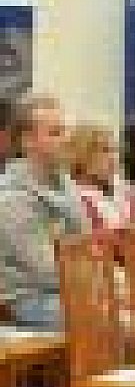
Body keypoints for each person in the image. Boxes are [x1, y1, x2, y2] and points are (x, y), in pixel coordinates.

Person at [0, 96, 83, 330]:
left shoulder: (66, 184)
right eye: (56, 133)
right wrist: (101, 281)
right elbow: (44, 268)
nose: (66, 139)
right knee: (119, 322)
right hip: (31, 298)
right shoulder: (11, 196)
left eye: (65, 131)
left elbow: (87, 244)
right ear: (28, 141)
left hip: (72, 286)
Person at [65, 124, 135, 230]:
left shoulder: (121, 187)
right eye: (105, 151)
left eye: (114, 150)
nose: (113, 157)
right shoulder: (74, 198)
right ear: (82, 157)